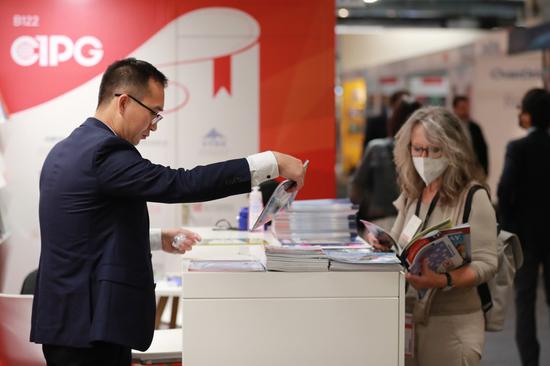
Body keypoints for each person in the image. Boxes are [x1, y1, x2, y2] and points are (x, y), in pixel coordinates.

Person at [30, 58, 306, 365]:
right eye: (153, 114)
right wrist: (271, 163)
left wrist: (157, 237)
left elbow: (84, 231)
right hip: (90, 326)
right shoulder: (104, 152)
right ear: (123, 102)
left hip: (67, 320)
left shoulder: (67, 149)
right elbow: (181, 184)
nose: (153, 125)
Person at [369, 107, 497, 366]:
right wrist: (383, 245)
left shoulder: (474, 196)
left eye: (434, 149)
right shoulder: (413, 193)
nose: (425, 157)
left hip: (453, 324)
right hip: (409, 319)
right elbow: (398, 242)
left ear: (453, 150)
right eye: (418, 149)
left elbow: (487, 263)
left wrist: (442, 279)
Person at [497, 88, 550, 366]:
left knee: (525, 303)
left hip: (526, 239)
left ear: (527, 115)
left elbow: (504, 192)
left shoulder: (517, 148)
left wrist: (510, 229)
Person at [350, 98, 421, 231]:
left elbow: (357, 187)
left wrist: (355, 220)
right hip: (412, 222)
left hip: (380, 220)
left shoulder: (376, 148)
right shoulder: (422, 154)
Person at [452, 95, 489, 176]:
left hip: (473, 169)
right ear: (455, 108)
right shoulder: (449, 127)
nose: (464, 110)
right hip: (454, 170)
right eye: (461, 107)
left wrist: (485, 170)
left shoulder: (475, 127)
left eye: (466, 107)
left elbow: (483, 149)